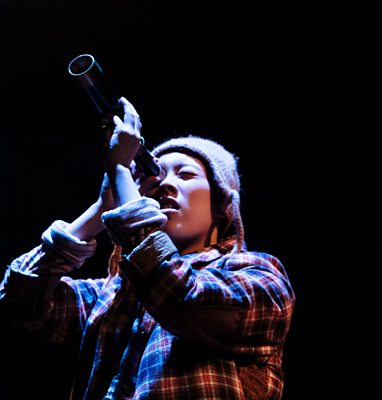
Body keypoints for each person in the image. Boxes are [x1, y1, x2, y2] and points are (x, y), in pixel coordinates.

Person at [0, 97, 295, 400]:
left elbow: (179, 295)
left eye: (185, 174)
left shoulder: (260, 274)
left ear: (222, 204)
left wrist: (119, 170)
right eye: (157, 176)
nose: (165, 184)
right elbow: (20, 301)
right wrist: (102, 208)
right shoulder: (112, 295)